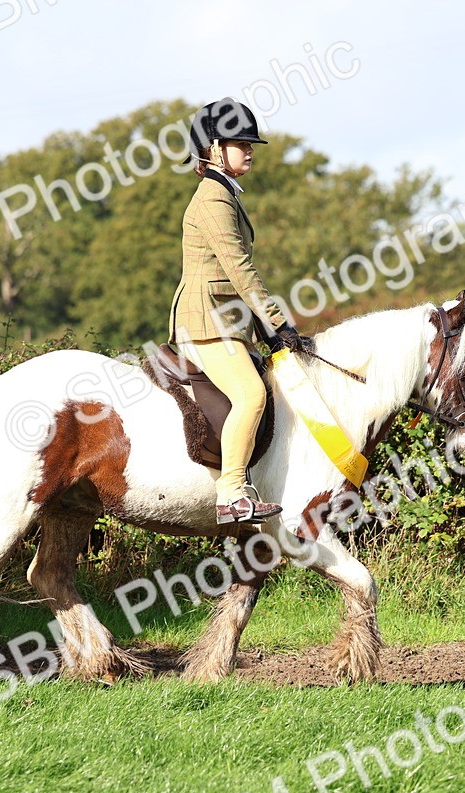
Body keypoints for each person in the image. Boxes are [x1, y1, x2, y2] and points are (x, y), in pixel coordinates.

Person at [167, 98, 311, 525]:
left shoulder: (225, 193)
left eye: (251, 143)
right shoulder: (213, 200)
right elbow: (240, 270)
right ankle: (230, 493)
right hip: (205, 321)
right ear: (213, 148)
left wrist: (263, 330)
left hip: (225, 320)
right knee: (251, 394)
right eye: (239, 142)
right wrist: (279, 322)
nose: (249, 149)